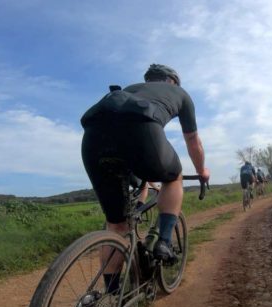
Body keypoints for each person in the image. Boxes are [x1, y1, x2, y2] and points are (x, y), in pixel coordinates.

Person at [80, 64, 210, 293]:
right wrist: (202, 170)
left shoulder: (131, 89)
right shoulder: (180, 94)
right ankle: (164, 242)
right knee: (174, 177)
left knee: (117, 225)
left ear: (149, 80)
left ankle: (111, 296)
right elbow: (193, 141)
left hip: (92, 138)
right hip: (140, 131)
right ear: (172, 81)